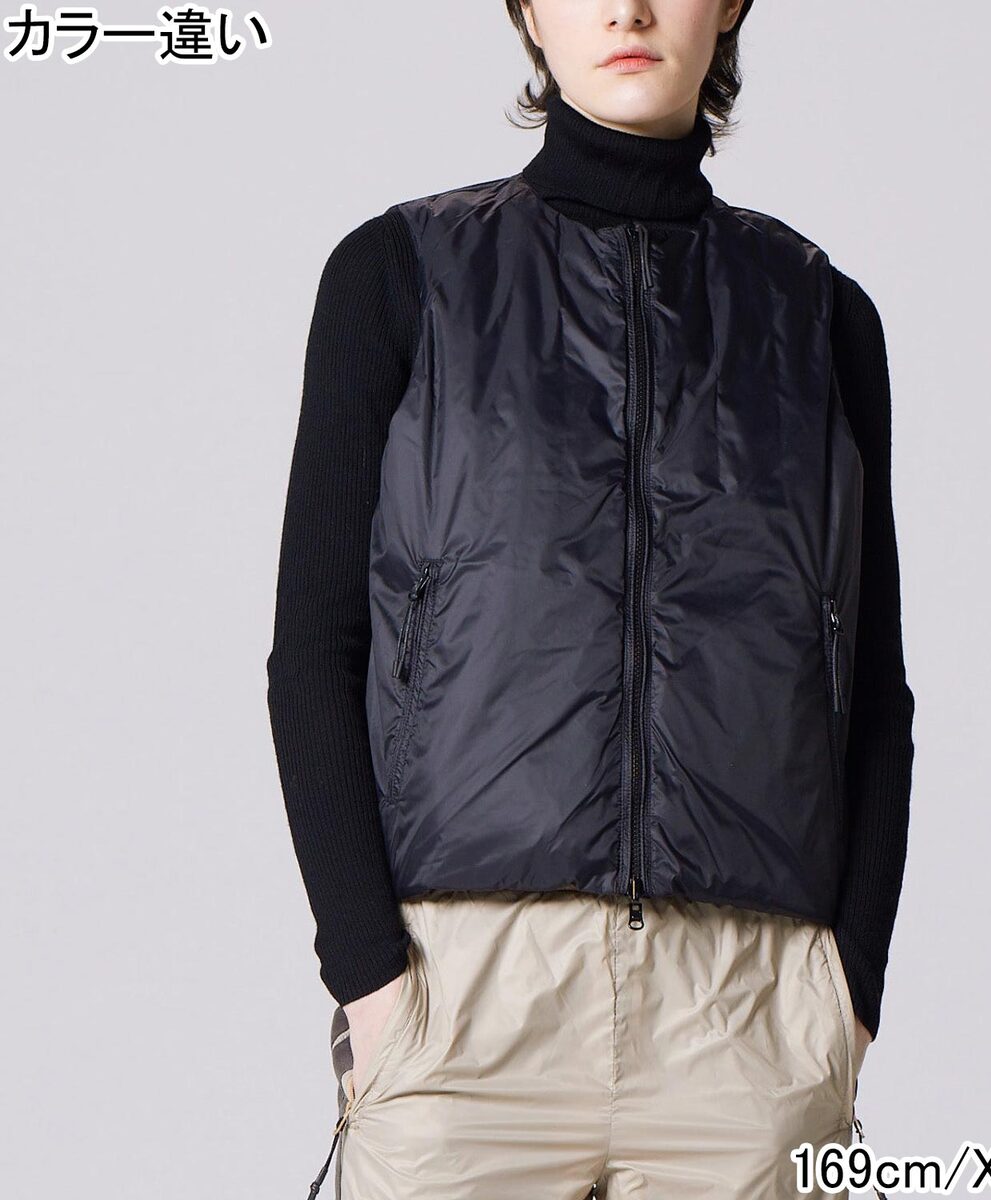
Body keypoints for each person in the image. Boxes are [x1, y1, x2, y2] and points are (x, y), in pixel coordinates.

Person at [266, 2, 916, 1197]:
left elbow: (871, 686)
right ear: (526, 10)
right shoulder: (400, 277)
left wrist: (847, 992)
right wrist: (370, 977)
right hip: (462, 1003)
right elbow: (315, 648)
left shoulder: (821, 316)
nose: (626, 9)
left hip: (750, 1016)